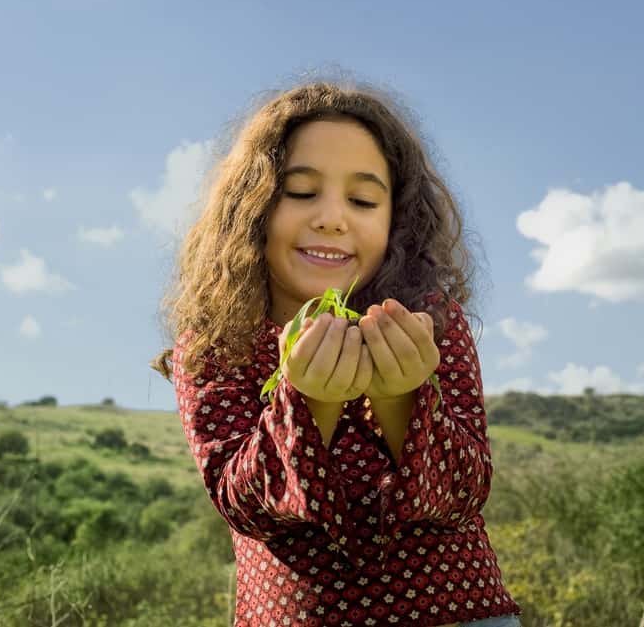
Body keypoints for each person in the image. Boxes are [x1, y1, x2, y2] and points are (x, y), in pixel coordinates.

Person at [151, 79, 522, 627]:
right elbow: (243, 502)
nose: (332, 217)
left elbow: (466, 491)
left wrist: (402, 397)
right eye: (301, 192)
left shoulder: (429, 323)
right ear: (253, 208)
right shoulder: (214, 346)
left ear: (395, 220)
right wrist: (308, 405)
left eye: (363, 199)